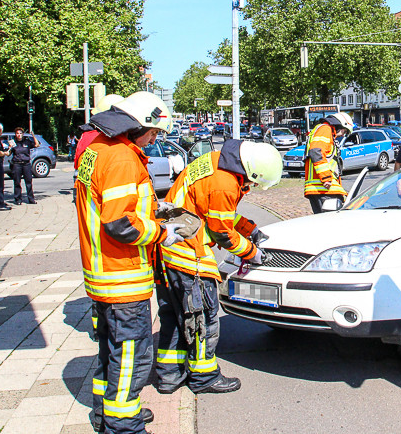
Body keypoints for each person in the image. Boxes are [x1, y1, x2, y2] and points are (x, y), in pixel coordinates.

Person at [75, 91, 186, 434]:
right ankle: (124, 426)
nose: (155, 139)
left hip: (102, 273)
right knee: (132, 360)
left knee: (110, 355)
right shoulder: (122, 158)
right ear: (135, 126)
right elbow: (120, 224)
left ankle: (105, 415)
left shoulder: (95, 151)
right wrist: (161, 233)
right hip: (123, 276)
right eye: (152, 131)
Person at [154, 140, 282, 395]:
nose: (251, 187)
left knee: (176, 316)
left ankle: (169, 375)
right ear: (250, 171)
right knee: (203, 317)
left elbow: (210, 210)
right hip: (189, 254)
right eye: (254, 183)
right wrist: (252, 253)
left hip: (169, 248)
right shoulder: (225, 182)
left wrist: (249, 228)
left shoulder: (214, 161)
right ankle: (204, 377)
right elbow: (220, 230)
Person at [303, 112, 354, 213]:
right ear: (340, 124)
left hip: (320, 187)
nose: (343, 135)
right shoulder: (325, 129)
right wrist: (326, 177)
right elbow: (316, 151)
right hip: (323, 187)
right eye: (345, 131)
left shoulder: (323, 130)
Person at [10, 127, 40, 205]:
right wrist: (9, 147)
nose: (19, 135)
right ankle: (18, 199)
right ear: (15, 134)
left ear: (23, 134)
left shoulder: (27, 141)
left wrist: (33, 136)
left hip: (26, 164)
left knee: (28, 182)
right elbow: (8, 152)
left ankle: (31, 199)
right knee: (17, 182)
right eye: (17, 133)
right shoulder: (13, 142)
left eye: (20, 133)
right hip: (17, 164)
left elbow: (37, 145)